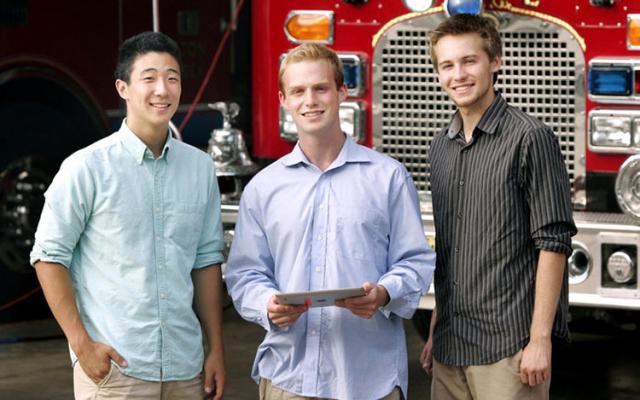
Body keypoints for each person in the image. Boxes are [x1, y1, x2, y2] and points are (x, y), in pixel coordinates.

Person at [225, 43, 435, 400]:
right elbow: (244, 273)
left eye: (321, 88)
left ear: (341, 92)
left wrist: (384, 293)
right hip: (288, 378)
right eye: (298, 91)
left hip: (369, 382)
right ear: (283, 100)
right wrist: (267, 304)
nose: (310, 100)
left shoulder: (389, 177)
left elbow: (415, 261)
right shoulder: (263, 188)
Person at [30, 31, 226, 399]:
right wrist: (82, 347)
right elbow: (48, 257)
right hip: (116, 370)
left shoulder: (200, 169)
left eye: (172, 78)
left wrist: (215, 349)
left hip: (185, 367)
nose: (162, 90)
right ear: (123, 88)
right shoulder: (86, 168)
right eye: (149, 78)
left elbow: (205, 262)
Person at [419, 13, 577, 400]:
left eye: (469, 61)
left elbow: (553, 244)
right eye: (447, 65)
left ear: (495, 61)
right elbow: (451, 249)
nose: (458, 75)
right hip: (450, 346)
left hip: (510, 350)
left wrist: (540, 341)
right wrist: (436, 328)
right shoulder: (440, 147)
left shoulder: (531, 139)